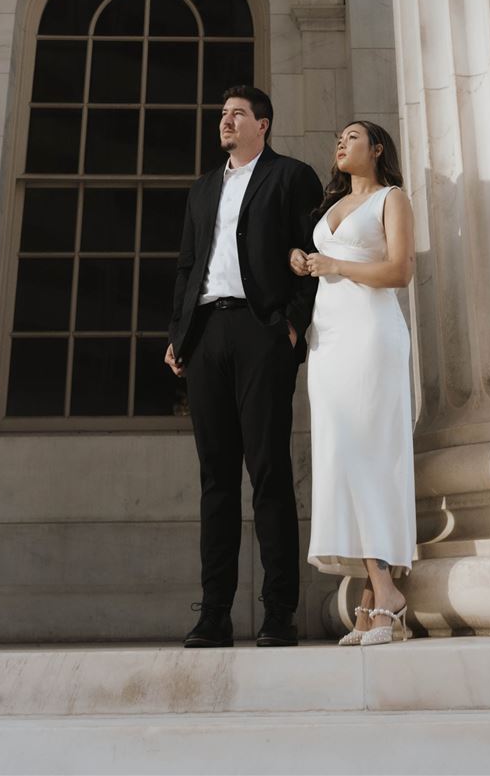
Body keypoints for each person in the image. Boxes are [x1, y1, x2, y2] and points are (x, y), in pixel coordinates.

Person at [167, 85, 324, 649]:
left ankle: (279, 611)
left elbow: (312, 254)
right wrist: (179, 334)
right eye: (223, 114)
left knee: (269, 472)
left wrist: (292, 322)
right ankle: (214, 614)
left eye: (237, 114)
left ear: (264, 125)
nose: (226, 122)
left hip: (262, 332)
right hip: (207, 332)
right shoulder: (204, 186)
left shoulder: (292, 176)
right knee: (216, 480)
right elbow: (188, 265)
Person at [294, 119, 417, 646]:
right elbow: (323, 263)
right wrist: (302, 260)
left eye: (352, 137)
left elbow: (399, 272)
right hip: (330, 340)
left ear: (377, 148)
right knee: (342, 456)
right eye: (337, 138)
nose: (340, 143)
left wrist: (334, 264)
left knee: (370, 455)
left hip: (371, 336)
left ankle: (385, 592)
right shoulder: (329, 206)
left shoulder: (392, 198)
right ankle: (371, 599)